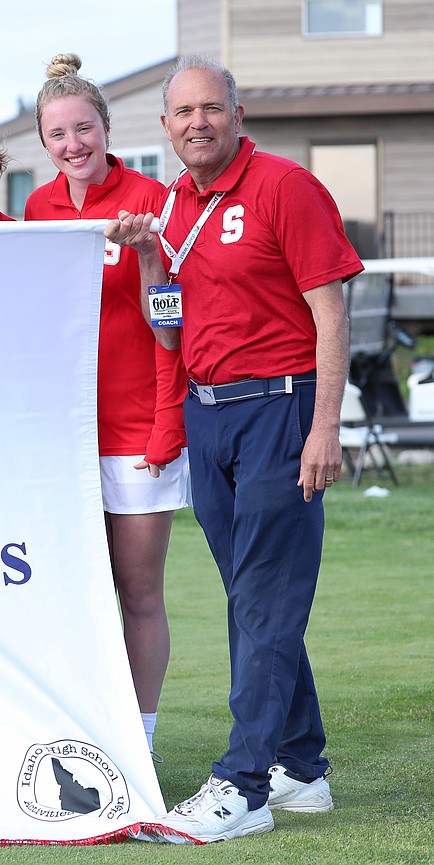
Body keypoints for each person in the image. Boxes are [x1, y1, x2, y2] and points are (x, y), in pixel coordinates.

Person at [107, 55, 362, 843]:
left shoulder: (285, 187)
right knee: (255, 598)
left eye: (210, 108)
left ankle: (243, 783)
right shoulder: (175, 206)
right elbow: (168, 327)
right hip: (208, 416)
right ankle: (303, 766)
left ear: (237, 113)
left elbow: (331, 314)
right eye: (183, 113)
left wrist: (325, 426)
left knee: (261, 600)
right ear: (165, 127)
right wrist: (150, 257)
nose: (197, 124)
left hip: (279, 411)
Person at [24, 54, 189, 762]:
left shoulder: (151, 195)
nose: (72, 146)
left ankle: (140, 742)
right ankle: (88, 732)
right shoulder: (37, 208)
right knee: (73, 591)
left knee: (139, 591)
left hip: (138, 429)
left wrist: (149, 254)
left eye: (83, 129)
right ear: (44, 143)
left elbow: (171, 327)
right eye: (57, 135)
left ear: (106, 127)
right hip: (64, 435)